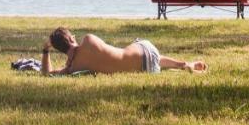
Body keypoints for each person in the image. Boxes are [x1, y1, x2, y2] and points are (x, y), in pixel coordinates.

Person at [40, 26, 207, 75]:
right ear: (72, 38)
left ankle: (183, 66)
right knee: (135, 51)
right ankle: (184, 65)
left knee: (144, 61)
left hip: (148, 70)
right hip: (146, 51)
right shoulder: (89, 39)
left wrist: (45, 50)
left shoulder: (73, 68)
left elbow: (47, 74)